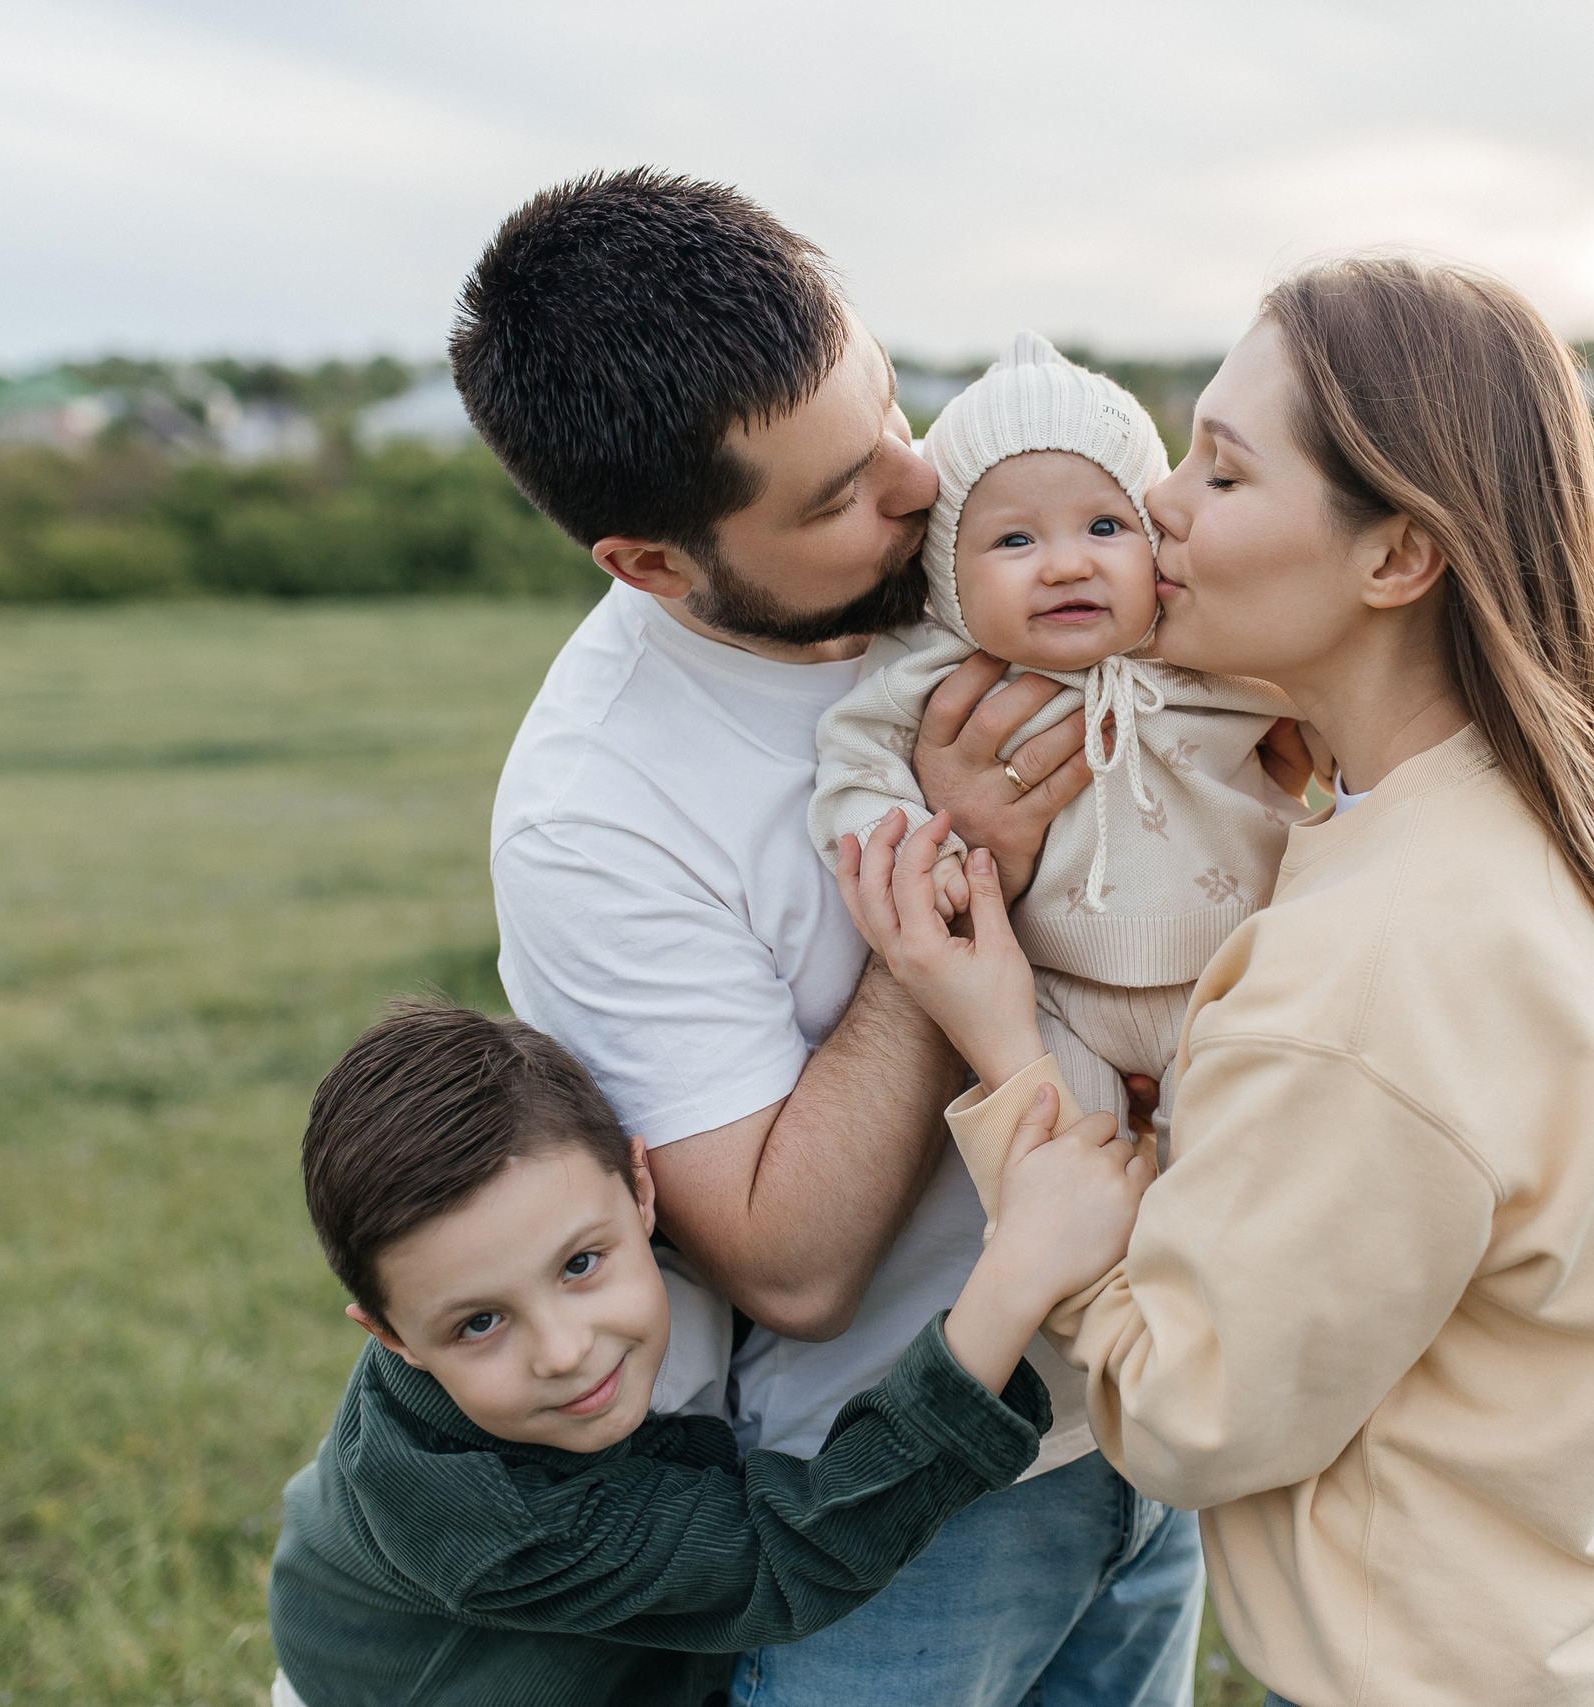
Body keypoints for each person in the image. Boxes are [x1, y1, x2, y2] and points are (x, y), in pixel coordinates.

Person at [837, 255, 1594, 1707]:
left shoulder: (1370, 963)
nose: (1158, 512)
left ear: (1397, 557)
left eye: (1221, 471)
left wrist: (1005, 1040)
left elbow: (1185, 1409)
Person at [454, 169, 1205, 1706]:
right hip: (897, 1517)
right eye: (835, 495)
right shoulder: (598, 808)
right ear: (650, 563)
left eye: (888, 415)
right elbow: (789, 1263)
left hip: (1140, 1405)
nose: (921, 490)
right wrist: (962, 862)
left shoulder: (982, 556)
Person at [265, 1001, 1154, 1707]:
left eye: (580, 1264)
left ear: (643, 1185)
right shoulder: (482, 1521)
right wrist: (1016, 1276)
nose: (566, 1350)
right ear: (389, 1337)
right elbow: (783, 1558)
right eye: (478, 1324)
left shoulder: (635, 1208)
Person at [809, 330, 1302, 1145]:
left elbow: (1319, 689)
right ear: (949, 578)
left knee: (1225, 1172)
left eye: (1106, 526)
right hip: (1050, 999)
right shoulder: (932, 668)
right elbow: (855, 764)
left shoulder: (1202, 641)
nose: (1067, 565)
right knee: (1066, 1160)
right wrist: (911, 861)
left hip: (1232, 973)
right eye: (1015, 540)